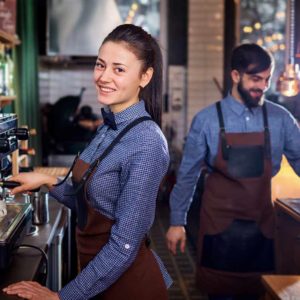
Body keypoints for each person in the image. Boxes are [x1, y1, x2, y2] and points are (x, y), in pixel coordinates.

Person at [3, 24, 172, 300]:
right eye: (100, 65)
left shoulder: (147, 143)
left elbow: (124, 245)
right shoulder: (108, 127)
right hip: (97, 277)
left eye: (118, 69)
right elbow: (91, 203)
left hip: (129, 287)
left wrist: (61, 297)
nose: (103, 77)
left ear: (145, 76)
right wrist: (47, 181)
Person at [166, 43, 300, 300]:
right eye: (255, 79)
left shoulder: (280, 119)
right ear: (235, 75)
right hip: (219, 227)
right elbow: (187, 175)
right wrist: (176, 221)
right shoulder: (206, 120)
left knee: (259, 293)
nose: (262, 86)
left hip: (261, 226)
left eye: (267, 79)